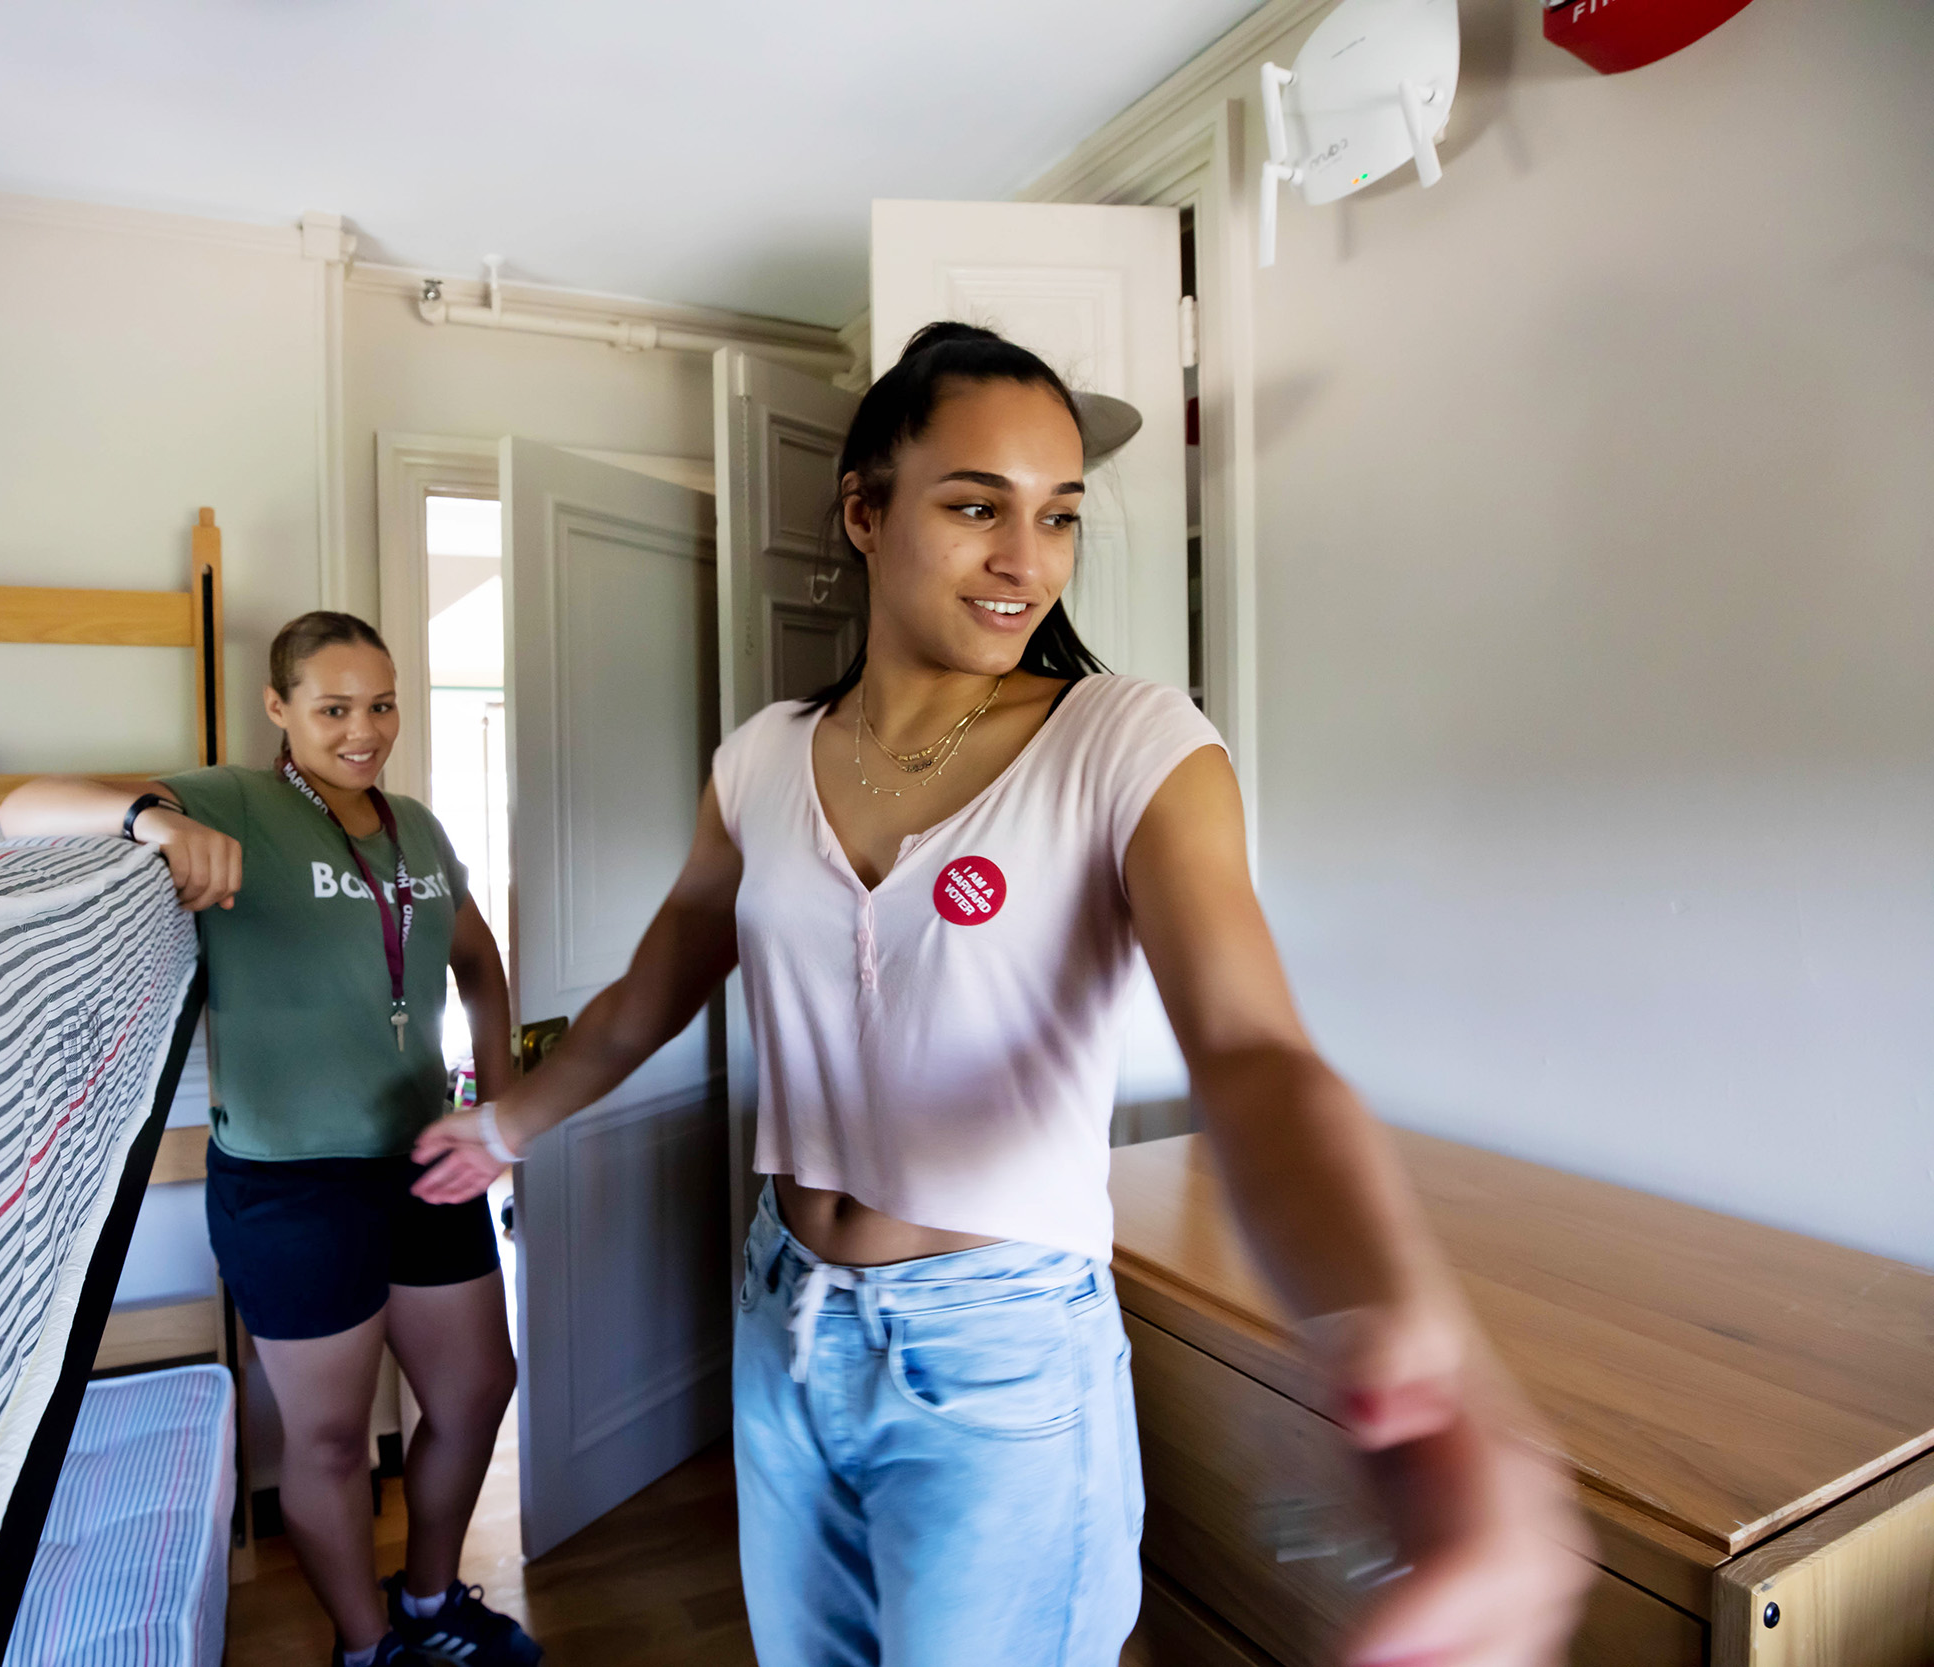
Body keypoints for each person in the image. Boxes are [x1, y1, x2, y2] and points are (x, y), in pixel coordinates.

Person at [411, 324, 1591, 1665]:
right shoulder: (761, 761)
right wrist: (509, 1124)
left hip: (1001, 1349)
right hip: (783, 1314)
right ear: (865, 508)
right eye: (977, 505)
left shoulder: (1130, 743)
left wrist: (1401, 1324)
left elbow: (1254, 1052)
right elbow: (655, 981)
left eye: (1061, 515)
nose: (1025, 558)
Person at [0, 612, 541, 1667]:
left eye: (380, 703)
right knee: (332, 1437)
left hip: (425, 1161)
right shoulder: (232, 801)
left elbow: (474, 958)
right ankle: (366, 1643)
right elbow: (23, 807)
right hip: (293, 1182)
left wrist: (500, 1097)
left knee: (477, 1391)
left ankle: (431, 1600)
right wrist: (151, 823)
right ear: (278, 707)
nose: (363, 730)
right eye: (333, 707)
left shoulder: (417, 828)